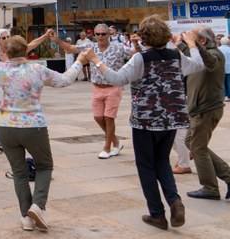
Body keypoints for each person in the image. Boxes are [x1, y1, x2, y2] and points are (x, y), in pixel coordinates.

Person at [83, 17, 206, 230]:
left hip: (146, 120)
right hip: (171, 118)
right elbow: (197, 65)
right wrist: (192, 45)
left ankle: (157, 214)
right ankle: (174, 201)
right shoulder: (176, 55)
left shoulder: (141, 58)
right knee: (162, 161)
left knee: (146, 166)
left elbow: (117, 78)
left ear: (144, 36)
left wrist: (95, 59)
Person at [0, 35, 81, 232]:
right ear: (26, 51)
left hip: (4, 125)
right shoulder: (36, 69)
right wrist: (80, 61)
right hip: (32, 125)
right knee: (44, 165)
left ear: (5, 52)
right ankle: (37, 206)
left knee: (19, 172)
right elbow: (64, 80)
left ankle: (25, 217)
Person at [53, 23, 129, 159]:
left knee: (109, 118)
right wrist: (56, 39)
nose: (100, 36)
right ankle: (115, 141)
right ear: (94, 35)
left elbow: (135, 53)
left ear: (109, 35)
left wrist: (138, 44)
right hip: (97, 87)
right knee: (98, 117)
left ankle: (107, 147)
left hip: (113, 87)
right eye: (97, 34)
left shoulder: (118, 47)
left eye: (103, 34)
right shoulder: (90, 47)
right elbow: (71, 48)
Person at [178, 26, 230, 201]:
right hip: (198, 110)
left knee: (198, 147)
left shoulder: (214, 54)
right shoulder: (198, 56)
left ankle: (210, 188)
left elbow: (210, 62)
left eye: (193, 39)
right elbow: (188, 54)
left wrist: (194, 45)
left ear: (202, 41)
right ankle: (228, 176)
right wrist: (177, 42)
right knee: (191, 142)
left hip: (206, 110)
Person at [220, 37, 230, 101]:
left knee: (222, 83)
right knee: (229, 83)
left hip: (221, 68)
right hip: (229, 68)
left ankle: (224, 95)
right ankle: (229, 96)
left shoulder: (218, 49)